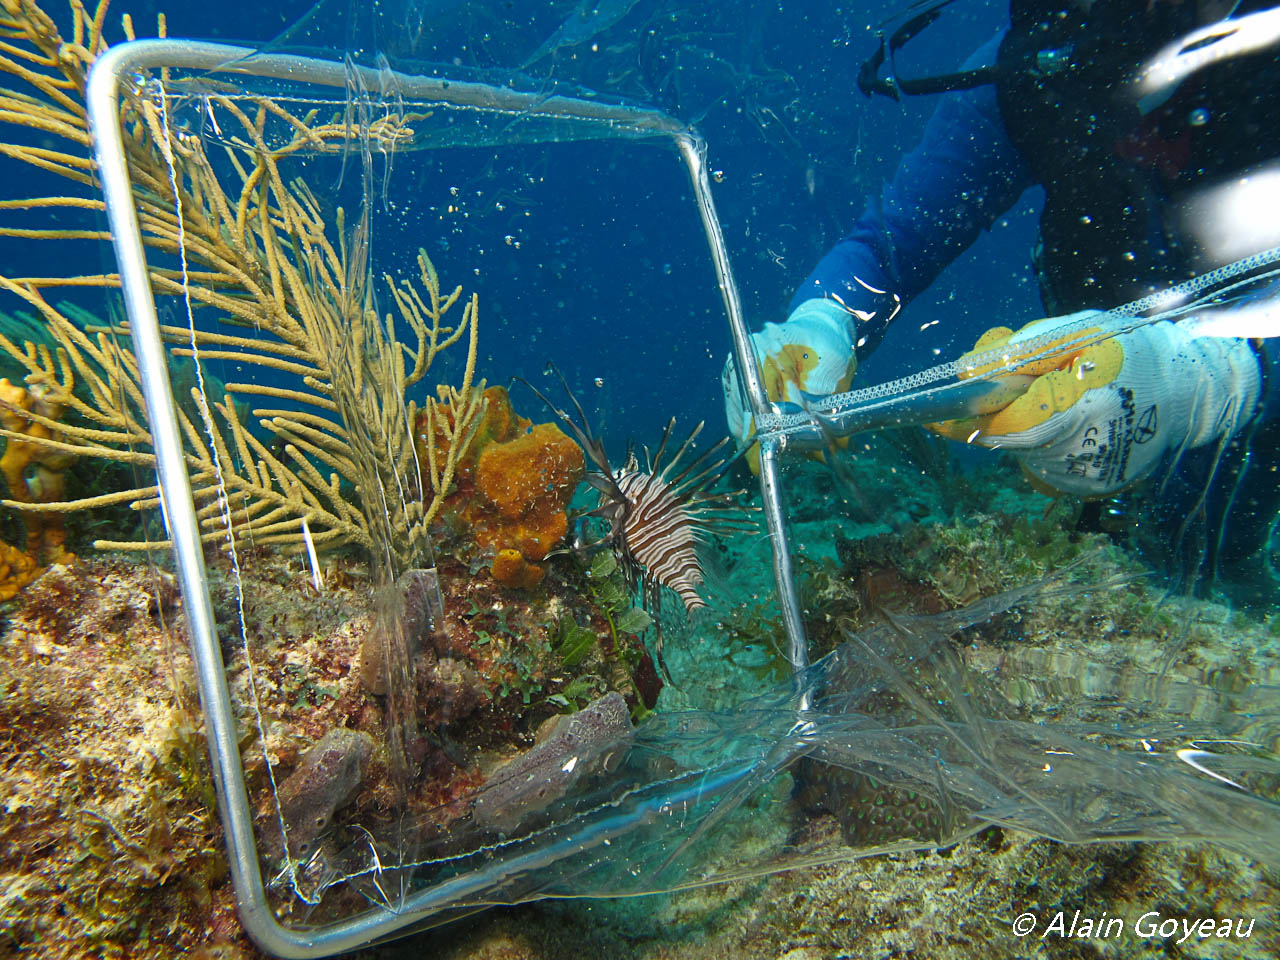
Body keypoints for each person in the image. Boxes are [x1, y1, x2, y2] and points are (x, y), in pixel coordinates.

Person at [724, 0, 1280, 598]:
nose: (1144, 142)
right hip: (1092, 471)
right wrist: (825, 316)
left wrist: (1223, 375)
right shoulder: (1037, 65)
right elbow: (893, 241)